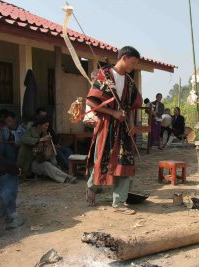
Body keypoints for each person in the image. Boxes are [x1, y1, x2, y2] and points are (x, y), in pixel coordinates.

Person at [85, 46, 142, 214]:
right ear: (123, 58)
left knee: (125, 164)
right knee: (103, 161)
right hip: (107, 126)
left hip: (123, 128)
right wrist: (113, 112)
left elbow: (130, 106)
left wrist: (131, 124)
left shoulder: (130, 82)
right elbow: (91, 102)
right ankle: (91, 188)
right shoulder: (104, 76)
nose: (133, 66)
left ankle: (119, 202)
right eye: (132, 62)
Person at [17, 116, 77, 183]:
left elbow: (46, 152)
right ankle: (66, 178)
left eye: (47, 126)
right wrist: (40, 140)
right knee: (46, 165)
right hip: (28, 163)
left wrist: (48, 146)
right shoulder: (30, 131)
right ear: (39, 125)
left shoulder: (45, 134)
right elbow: (24, 139)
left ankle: (66, 176)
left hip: (39, 160)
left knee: (49, 162)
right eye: (45, 126)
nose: (47, 128)